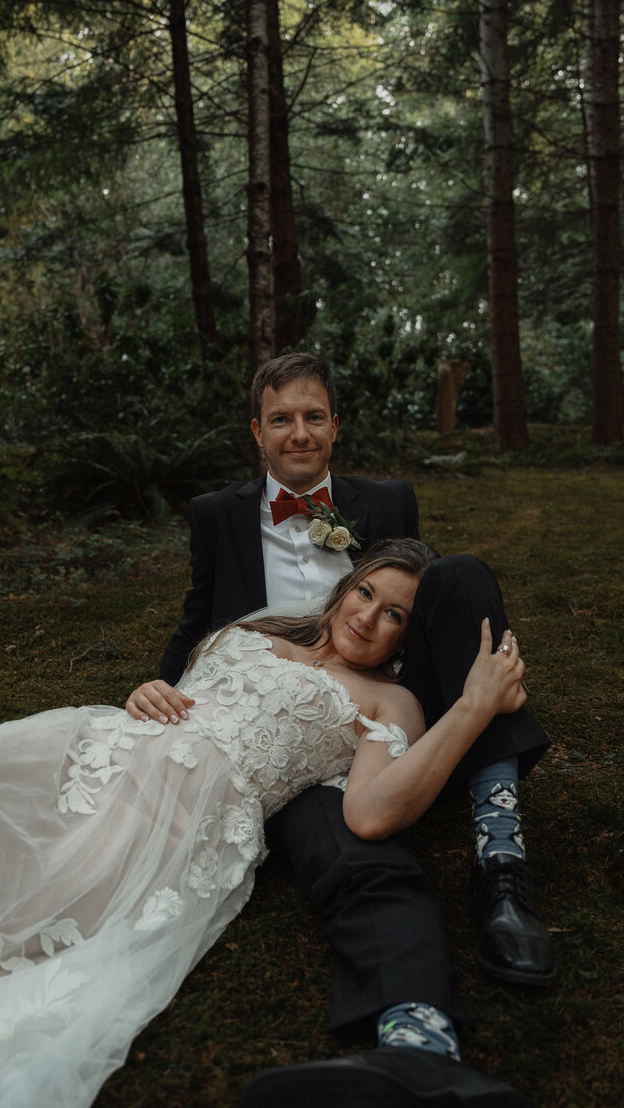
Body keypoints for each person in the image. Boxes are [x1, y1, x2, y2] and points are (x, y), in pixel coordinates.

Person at [0, 542, 531, 1108]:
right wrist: (149, 689)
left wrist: (473, 708)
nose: (367, 617)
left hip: (179, 816)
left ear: (406, 637)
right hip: (101, 748)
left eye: (394, 614)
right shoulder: (254, 630)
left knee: (32, 906)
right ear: (344, 587)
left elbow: (370, 813)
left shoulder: (389, 701)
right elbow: (189, 693)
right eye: (365, 593)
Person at [127, 352, 555, 1107]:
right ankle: (420, 1038)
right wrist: (152, 687)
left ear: (335, 426)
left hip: (374, 707)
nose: (300, 433)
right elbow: (198, 622)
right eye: (282, 419)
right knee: (356, 850)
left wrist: (470, 675)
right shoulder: (217, 514)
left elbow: (413, 600)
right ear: (257, 433)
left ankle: (497, 863)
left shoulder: (386, 501)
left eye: (314, 416)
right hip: (270, 724)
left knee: (459, 576)